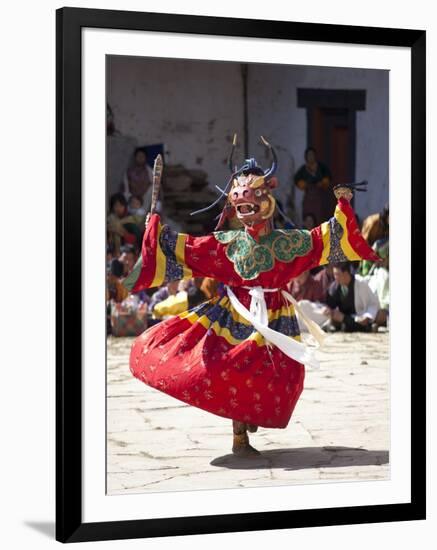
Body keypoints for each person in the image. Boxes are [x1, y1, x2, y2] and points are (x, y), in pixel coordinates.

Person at [123, 136, 380, 457]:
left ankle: (250, 416)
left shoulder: (287, 243)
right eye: (240, 198)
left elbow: (323, 240)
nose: (246, 204)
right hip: (235, 315)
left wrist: (343, 206)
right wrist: (156, 232)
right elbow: (188, 250)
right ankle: (239, 435)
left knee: (284, 376)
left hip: (277, 319)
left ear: (266, 201)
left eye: (253, 195)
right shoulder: (226, 243)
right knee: (230, 367)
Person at [324, 262, 380, 332]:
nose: (335, 277)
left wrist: (367, 316)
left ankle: (366, 327)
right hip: (343, 318)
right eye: (334, 274)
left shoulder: (360, 283)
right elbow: (330, 305)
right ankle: (367, 328)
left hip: (359, 316)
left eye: (337, 274)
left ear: (346, 273)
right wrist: (328, 310)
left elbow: (372, 303)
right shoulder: (334, 287)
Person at [294, 147, 332, 226]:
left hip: (319, 198)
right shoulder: (303, 169)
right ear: (306, 157)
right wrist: (304, 185)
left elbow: (328, 178)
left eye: (312, 155)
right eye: (308, 155)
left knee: (320, 218)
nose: (310, 157)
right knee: (308, 217)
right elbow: (296, 180)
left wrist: (322, 183)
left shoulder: (322, 167)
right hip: (308, 198)